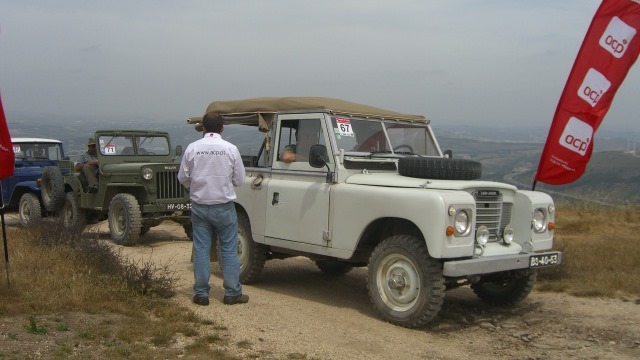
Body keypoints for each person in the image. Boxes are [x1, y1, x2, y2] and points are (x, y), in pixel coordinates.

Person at [177, 111, 247, 306]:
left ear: (204, 128)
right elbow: (239, 180)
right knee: (229, 249)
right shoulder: (230, 149)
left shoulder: (193, 148)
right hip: (224, 206)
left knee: (201, 248)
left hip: (200, 206)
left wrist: (194, 185)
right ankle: (232, 293)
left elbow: (182, 177)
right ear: (222, 128)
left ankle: (201, 293)